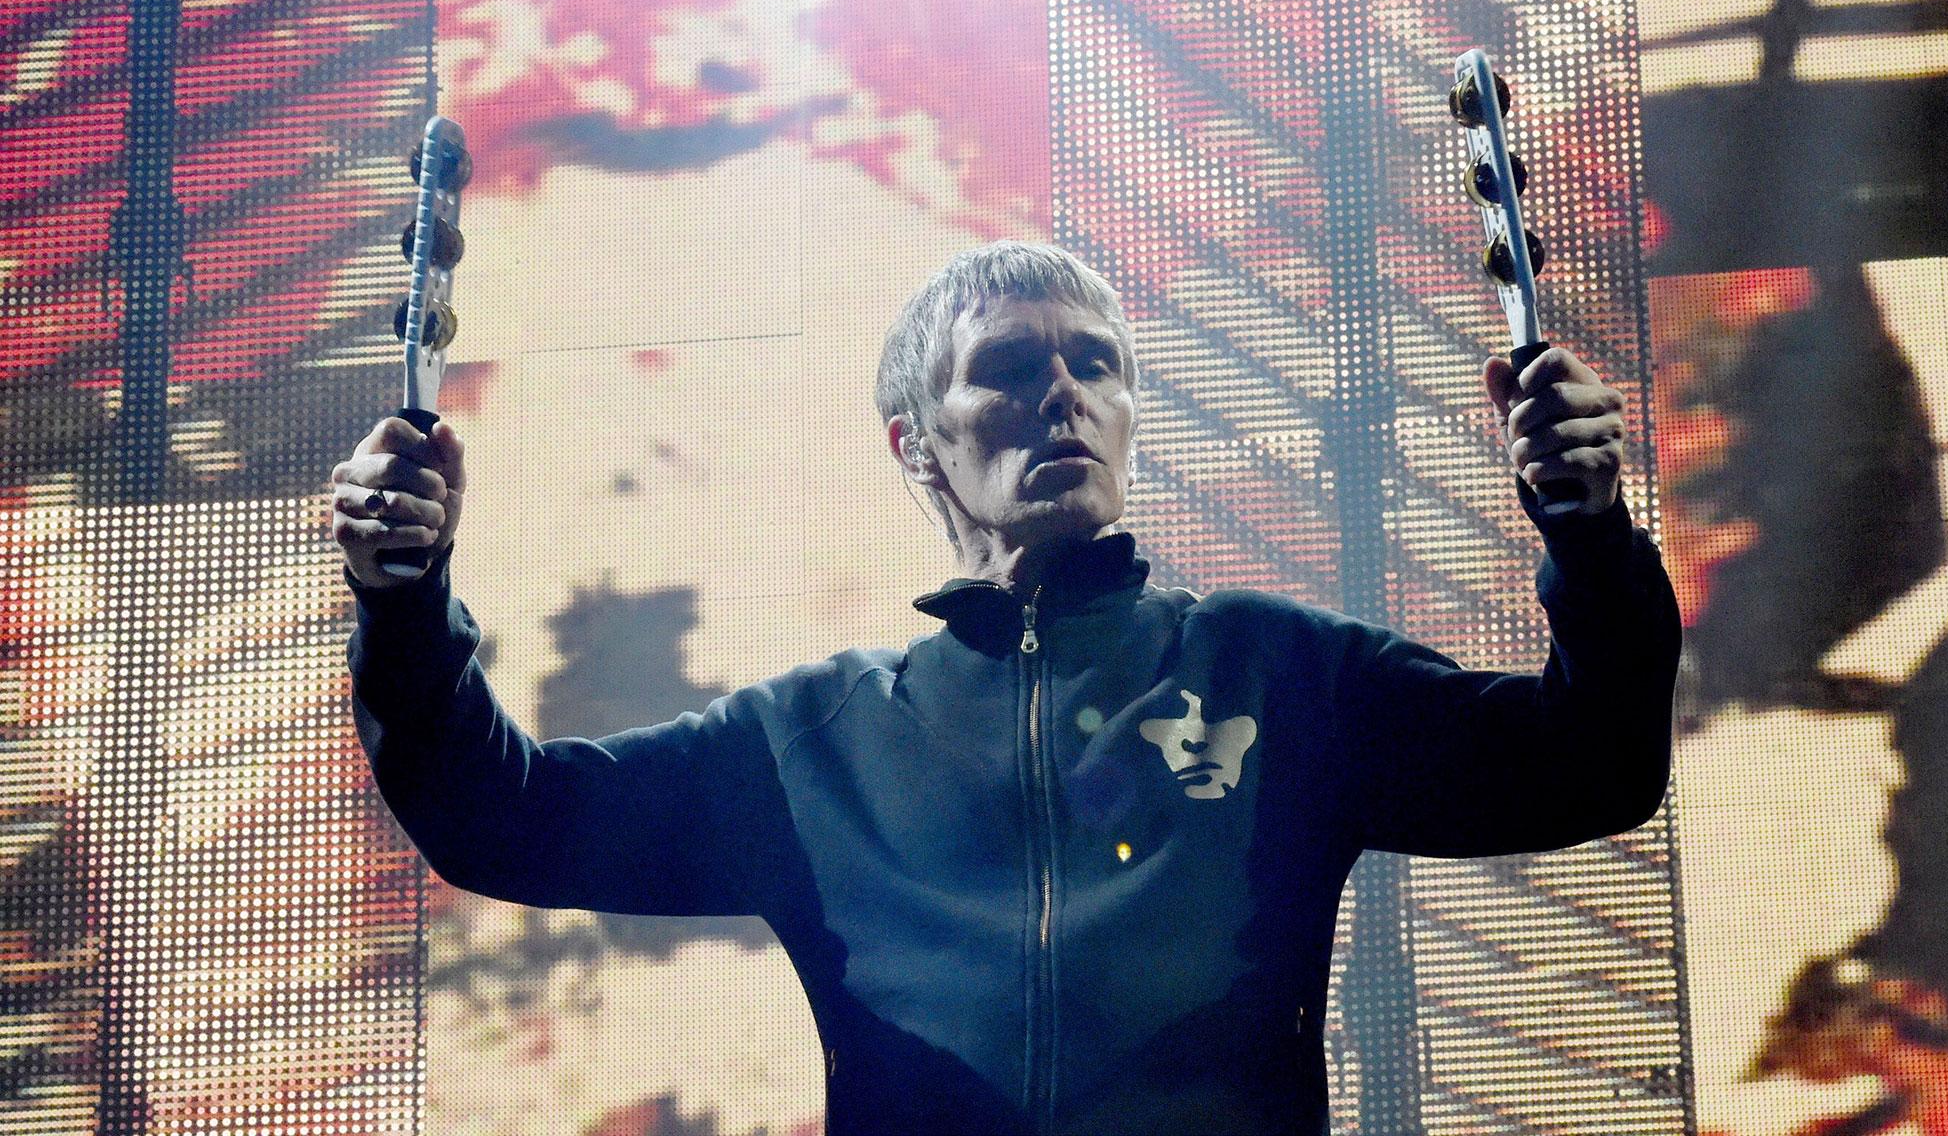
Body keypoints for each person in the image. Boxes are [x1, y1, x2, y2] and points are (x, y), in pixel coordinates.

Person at [335, 240, 1681, 1136]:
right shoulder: (812, 743)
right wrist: (405, 600)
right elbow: (496, 818)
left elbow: (1595, 759)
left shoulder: (1283, 674)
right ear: (914, 442)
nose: (1064, 397)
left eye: (1095, 365)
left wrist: (1590, 530)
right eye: (1012, 370)